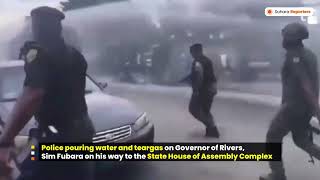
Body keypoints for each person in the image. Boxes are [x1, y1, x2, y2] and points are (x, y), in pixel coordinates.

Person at [0, 6, 95, 180]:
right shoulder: (75, 55)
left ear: (37, 28)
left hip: (57, 139)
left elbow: (32, 95)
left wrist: (5, 141)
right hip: (82, 134)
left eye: (35, 26)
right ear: (58, 27)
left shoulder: (38, 54)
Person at [260, 22, 320, 180]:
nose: (283, 40)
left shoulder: (295, 55)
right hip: (304, 107)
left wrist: (317, 109)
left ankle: (278, 174)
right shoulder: (310, 54)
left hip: (293, 107)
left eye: (285, 36)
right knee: (301, 140)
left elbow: (305, 83)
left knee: (273, 136)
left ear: (292, 38)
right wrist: (313, 108)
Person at [187, 43, 219, 137]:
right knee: (204, 110)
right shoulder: (206, 60)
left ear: (196, 52)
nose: (191, 55)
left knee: (194, 108)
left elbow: (199, 75)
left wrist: (196, 90)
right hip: (211, 88)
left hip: (205, 89)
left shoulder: (198, 62)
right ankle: (211, 130)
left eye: (192, 52)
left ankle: (212, 128)